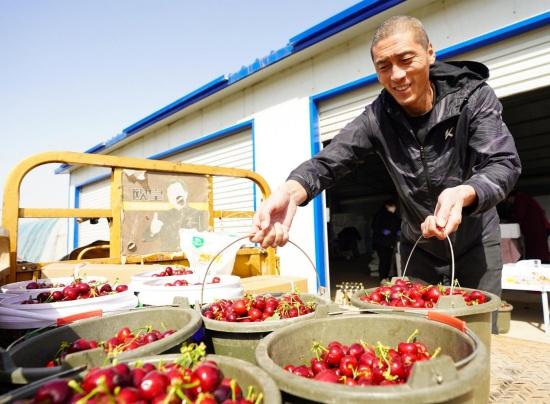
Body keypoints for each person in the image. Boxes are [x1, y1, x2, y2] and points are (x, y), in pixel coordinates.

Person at [250, 16, 521, 331]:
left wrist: (465, 192)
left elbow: (503, 161)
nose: (397, 75)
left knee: (477, 334)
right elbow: (329, 161)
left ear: (430, 53)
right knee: (415, 332)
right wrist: (289, 191)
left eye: (406, 60)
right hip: (417, 244)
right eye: (383, 66)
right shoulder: (377, 119)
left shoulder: (472, 97)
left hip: (476, 238)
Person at [145, 180, 208, 251]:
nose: (174, 196)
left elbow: (205, 239)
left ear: (186, 193)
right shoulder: (162, 215)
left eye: (177, 192)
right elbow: (145, 238)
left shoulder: (198, 214)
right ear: (168, 197)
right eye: (171, 193)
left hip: (190, 257)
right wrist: (152, 232)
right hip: (168, 258)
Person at [508, 190, 550, 263]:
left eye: (508, 200)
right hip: (536, 228)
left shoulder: (521, 199)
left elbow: (519, 215)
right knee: (538, 249)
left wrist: (510, 220)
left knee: (537, 250)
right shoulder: (523, 198)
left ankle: (540, 264)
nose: (510, 203)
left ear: (511, 197)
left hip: (536, 228)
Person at [372, 199, 401, 281]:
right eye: (392, 206)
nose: (394, 208)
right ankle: (382, 278)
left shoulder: (394, 215)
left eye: (394, 206)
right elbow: (374, 226)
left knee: (388, 260)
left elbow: (397, 225)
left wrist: (398, 230)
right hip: (381, 242)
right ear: (387, 206)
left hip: (390, 242)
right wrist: (382, 231)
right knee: (383, 260)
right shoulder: (379, 215)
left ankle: (386, 277)